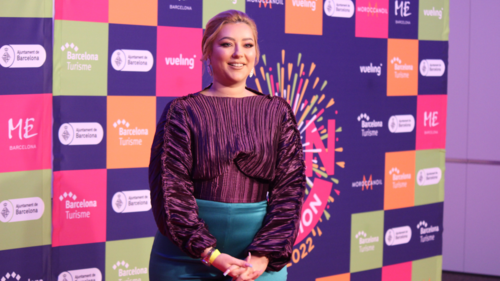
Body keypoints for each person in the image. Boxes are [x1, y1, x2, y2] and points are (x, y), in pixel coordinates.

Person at [148, 10, 306, 281]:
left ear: (255, 55)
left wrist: (263, 255)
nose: (238, 53)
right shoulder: (182, 111)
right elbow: (170, 191)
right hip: (186, 259)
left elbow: (289, 191)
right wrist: (210, 254)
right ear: (207, 52)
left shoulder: (278, 111)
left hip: (257, 262)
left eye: (247, 45)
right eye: (226, 44)